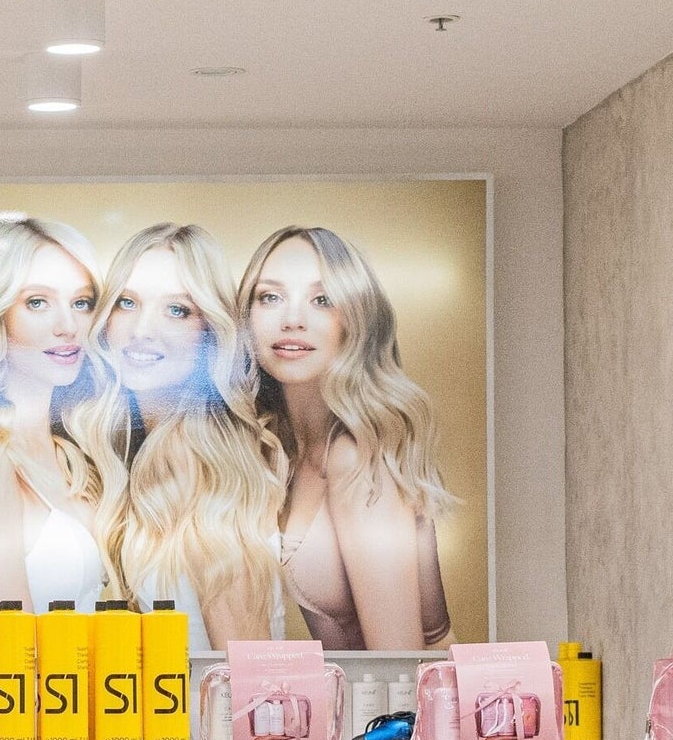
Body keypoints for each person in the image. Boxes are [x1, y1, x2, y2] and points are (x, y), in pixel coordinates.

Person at [242, 225, 452, 652]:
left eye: (323, 300)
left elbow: (399, 669)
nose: (292, 319)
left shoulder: (355, 456)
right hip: (358, 710)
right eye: (270, 297)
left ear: (355, 318)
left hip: (398, 714)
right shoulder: (283, 448)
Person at [96, 222, 286, 647]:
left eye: (178, 310)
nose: (143, 329)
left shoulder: (199, 461)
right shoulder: (135, 447)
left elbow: (244, 675)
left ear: (211, 332)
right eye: (127, 303)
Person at [0, 216, 124, 607]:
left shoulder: (71, 456)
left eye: (81, 303)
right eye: (37, 302)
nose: (68, 325)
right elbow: (9, 652)